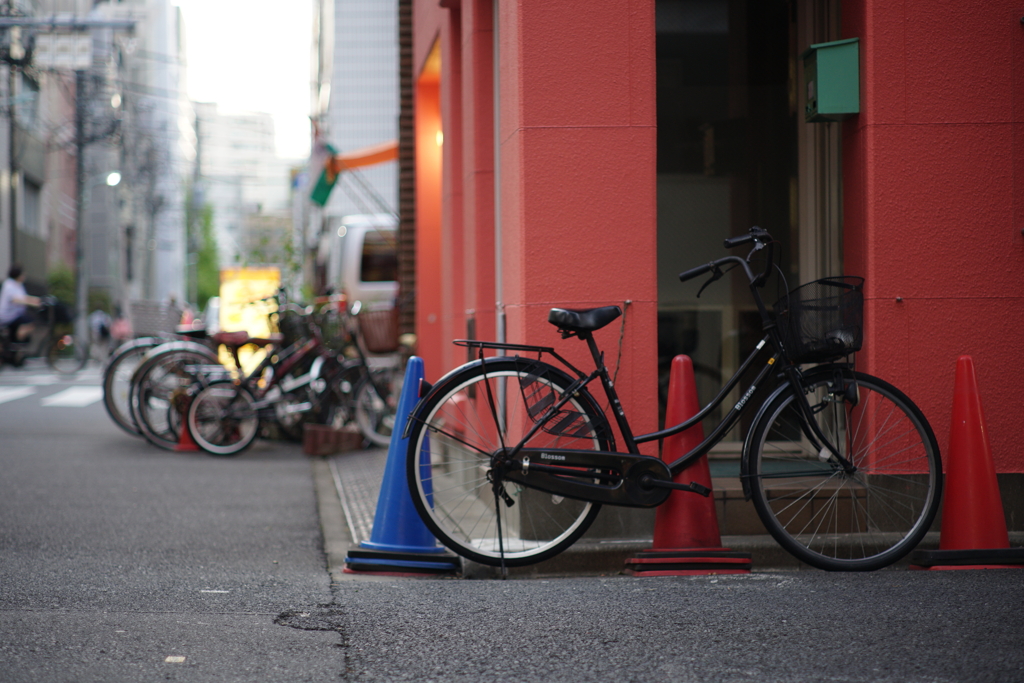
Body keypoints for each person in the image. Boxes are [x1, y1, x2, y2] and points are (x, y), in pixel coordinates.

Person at [0, 264, 41, 343]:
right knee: (31, 322)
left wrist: (36, 300)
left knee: (26, 320)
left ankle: (16, 342)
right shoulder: (9, 285)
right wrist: (34, 302)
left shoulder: (18, 284)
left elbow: (24, 297)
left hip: (15, 315)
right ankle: (19, 340)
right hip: (8, 316)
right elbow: (16, 299)